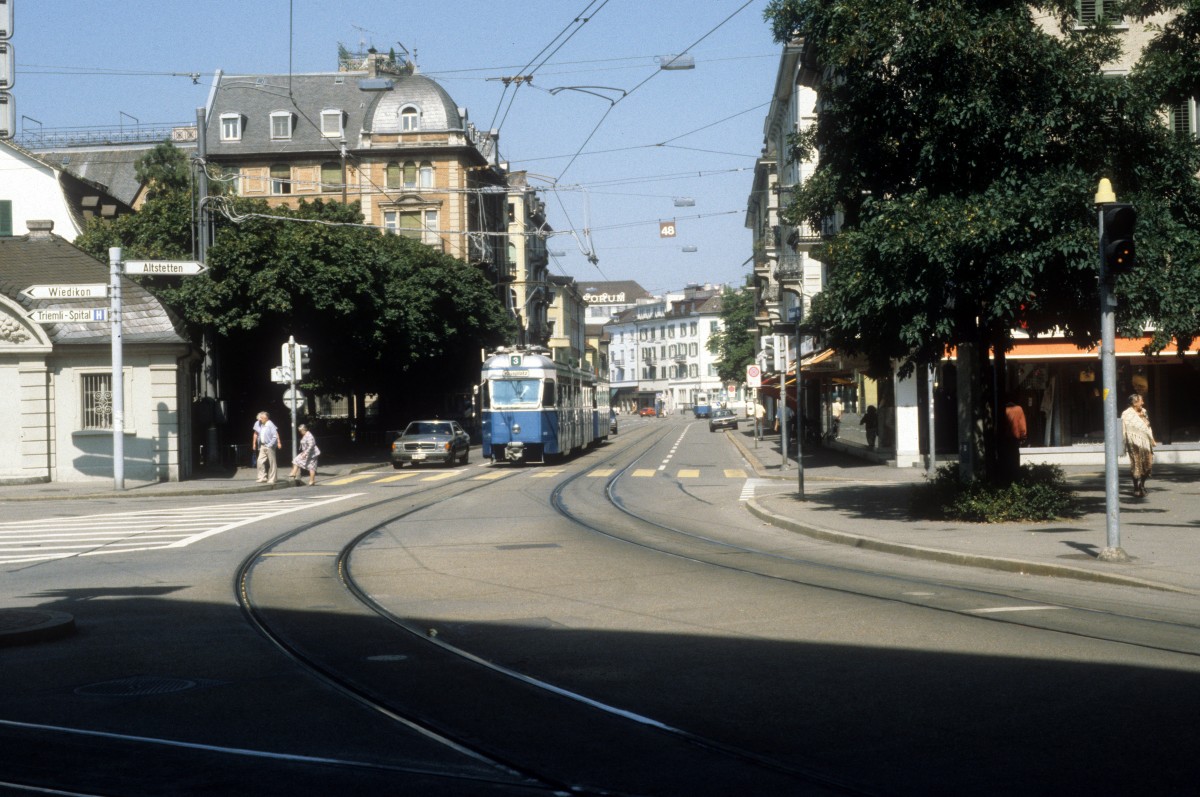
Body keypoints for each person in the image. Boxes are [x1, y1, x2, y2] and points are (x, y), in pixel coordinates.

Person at [1121, 393, 1157, 498]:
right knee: (1136, 465)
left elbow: (1147, 427)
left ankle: (1142, 484)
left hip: (1146, 443)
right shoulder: (1126, 414)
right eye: (1141, 401)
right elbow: (1125, 429)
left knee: (1148, 465)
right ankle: (1136, 487)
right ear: (1134, 402)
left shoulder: (1144, 411)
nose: (1143, 403)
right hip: (1133, 444)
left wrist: (1152, 438)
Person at [1001, 399, 1028, 485]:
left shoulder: (1003, 409)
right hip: (1015, 438)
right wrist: (1023, 436)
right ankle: (1015, 480)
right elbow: (1022, 424)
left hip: (1004, 438)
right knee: (1015, 458)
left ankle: (1006, 479)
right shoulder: (1018, 409)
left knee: (1006, 459)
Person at [252, 411, 282, 485]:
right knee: (260, 461)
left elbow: (275, 435)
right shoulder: (262, 424)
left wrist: (271, 444)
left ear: (266, 418)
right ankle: (262, 477)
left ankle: (272, 478)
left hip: (269, 446)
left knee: (272, 462)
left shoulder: (270, 425)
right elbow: (257, 434)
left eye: (261, 418)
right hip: (262, 445)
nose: (260, 419)